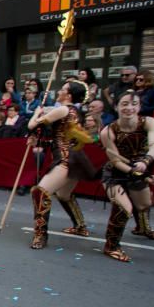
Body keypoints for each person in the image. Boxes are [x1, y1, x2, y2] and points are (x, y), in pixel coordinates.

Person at [26, 81, 94, 249]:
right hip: (77, 158)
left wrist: (37, 113)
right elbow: (61, 138)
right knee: (64, 194)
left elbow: (32, 125)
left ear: (69, 95)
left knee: (40, 192)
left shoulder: (63, 109)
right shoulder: (76, 112)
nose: (59, 91)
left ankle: (40, 235)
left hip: (66, 159)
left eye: (63, 89)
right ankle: (80, 226)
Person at [100, 90, 154, 261]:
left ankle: (142, 228)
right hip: (114, 174)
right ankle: (111, 246)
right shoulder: (108, 131)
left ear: (140, 106)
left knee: (143, 205)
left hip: (140, 168)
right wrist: (137, 171)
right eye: (124, 104)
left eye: (134, 104)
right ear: (116, 107)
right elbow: (115, 161)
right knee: (124, 207)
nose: (129, 108)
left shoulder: (149, 122)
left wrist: (145, 164)